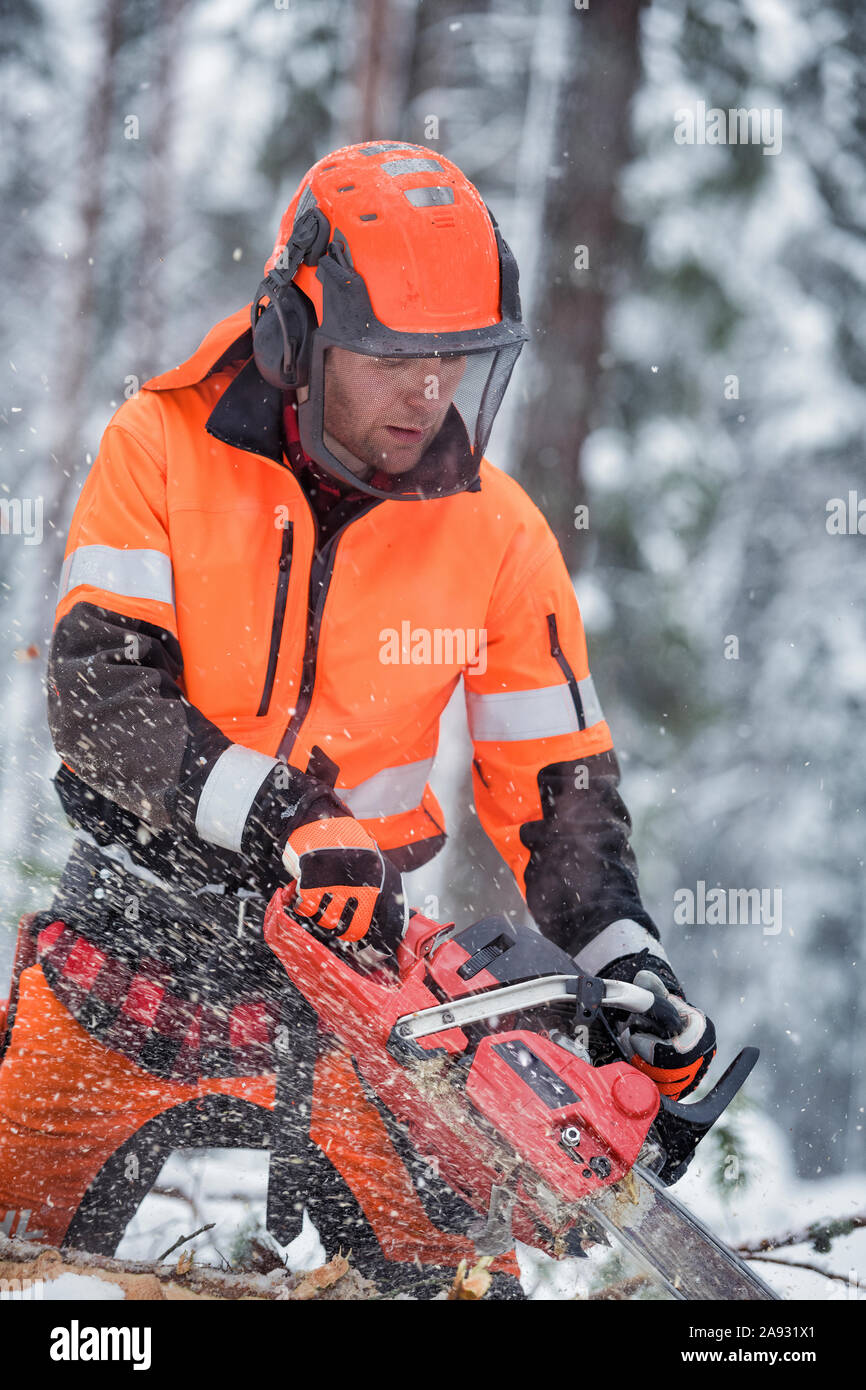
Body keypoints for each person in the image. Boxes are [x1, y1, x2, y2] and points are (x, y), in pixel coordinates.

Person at [0, 140, 715, 1296]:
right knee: (16, 1245)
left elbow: (559, 794)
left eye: (458, 363)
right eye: (392, 360)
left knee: (448, 1279)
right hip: (131, 943)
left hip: (361, 989)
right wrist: (287, 813)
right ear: (296, 335)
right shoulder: (161, 448)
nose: (427, 396)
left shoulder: (497, 531)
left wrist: (621, 960)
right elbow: (99, 693)